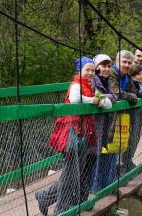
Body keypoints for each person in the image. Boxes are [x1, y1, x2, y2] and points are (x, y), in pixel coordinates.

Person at [35, 57, 111, 216]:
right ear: (79, 71)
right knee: (72, 172)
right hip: (71, 132)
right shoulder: (76, 85)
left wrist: (101, 101)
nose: (90, 73)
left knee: (73, 173)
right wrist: (94, 101)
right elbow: (75, 99)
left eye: (92, 70)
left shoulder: (91, 86)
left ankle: (45, 197)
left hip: (83, 132)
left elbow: (108, 103)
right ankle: (60, 210)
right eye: (87, 70)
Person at [90, 54, 118, 192]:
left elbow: (115, 95)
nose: (107, 69)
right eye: (103, 66)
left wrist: (108, 97)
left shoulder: (110, 80)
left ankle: (104, 184)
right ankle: (94, 186)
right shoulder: (93, 79)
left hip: (107, 121)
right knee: (95, 154)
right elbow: (95, 95)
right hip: (94, 124)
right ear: (96, 67)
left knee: (106, 151)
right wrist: (110, 97)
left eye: (109, 66)